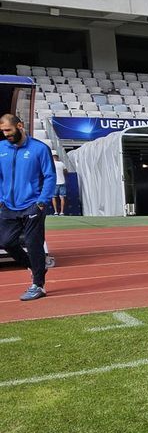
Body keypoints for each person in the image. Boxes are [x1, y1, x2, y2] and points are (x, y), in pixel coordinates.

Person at [0, 112, 55, 300]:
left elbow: (49, 176)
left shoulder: (39, 149)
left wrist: (42, 202)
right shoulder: (1, 148)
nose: (5, 134)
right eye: (3, 131)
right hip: (8, 206)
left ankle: (38, 285)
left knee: (33, 244)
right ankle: (35, 266)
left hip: (33, 204)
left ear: (20, 126)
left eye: (8, 130)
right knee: (6, 241)